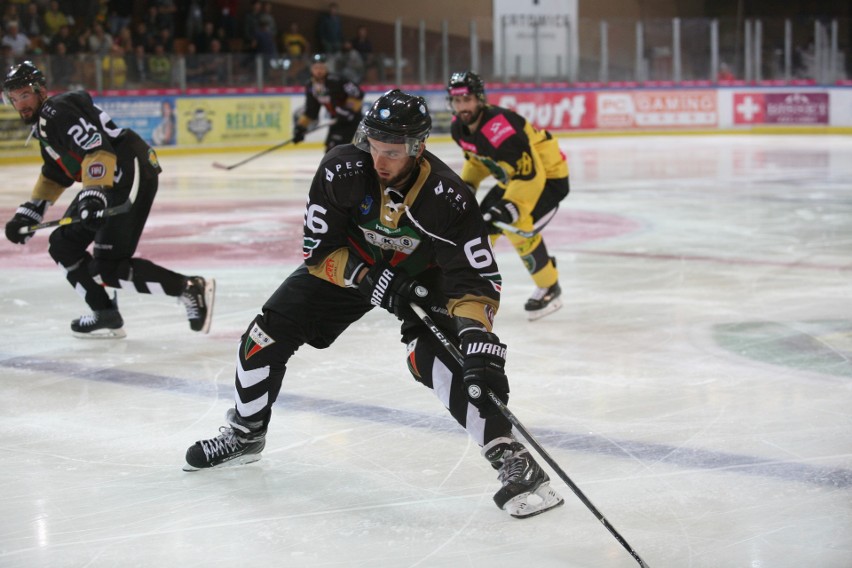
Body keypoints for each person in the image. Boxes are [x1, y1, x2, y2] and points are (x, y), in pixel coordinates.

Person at [183, 89, 565, 519]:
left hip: (423, 278)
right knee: (264, 335)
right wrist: (369, 278)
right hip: (352, 266)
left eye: (392, 151)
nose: (378, 160)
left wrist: (476, 337)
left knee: (440, 361)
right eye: (373, 146)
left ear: (418, 148)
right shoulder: (341, 168)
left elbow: (472, 279)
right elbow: (318, 251)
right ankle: (245, 433)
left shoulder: (447, 197)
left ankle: (511, 458)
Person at [2, 61, 215, 338]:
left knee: (107, 268)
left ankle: (189, 288)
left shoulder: (55, 112)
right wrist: (31, 211)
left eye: (25, 95)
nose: (21, 104)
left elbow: (96, 149)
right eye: (14, 98)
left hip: (127, 170)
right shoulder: (46, 123)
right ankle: (105, 312)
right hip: (110, 179)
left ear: (41, 91)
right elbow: (55, 174)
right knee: (64, 245)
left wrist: (93, 195)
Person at [447, 71, 569, 320]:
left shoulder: (500, 129)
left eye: (467, 99)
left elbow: (532, 174)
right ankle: (469, 282)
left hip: (548, 178)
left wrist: (511, 206)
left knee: (515, 223)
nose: (462, 107)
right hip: (515, 179)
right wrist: (467, 187)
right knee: (480, 225)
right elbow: (478, 160)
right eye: (457, 101)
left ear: (480, 99)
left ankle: (549, 285)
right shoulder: (459, 128)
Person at [292, 53, 363, 153]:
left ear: (327, 68)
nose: (319, 71)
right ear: (311, 69)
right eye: (316, 68)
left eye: (322, 67)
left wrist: (348, 110)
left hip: (351, 120)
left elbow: (357, 93)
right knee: (330, 150)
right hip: (337, 120)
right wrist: (300, 128)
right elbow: (311, 111)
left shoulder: (337, 80)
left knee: (336, 150)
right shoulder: (311, 86)